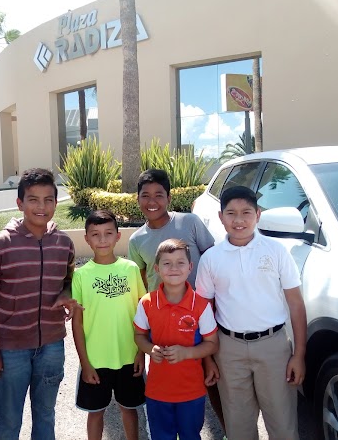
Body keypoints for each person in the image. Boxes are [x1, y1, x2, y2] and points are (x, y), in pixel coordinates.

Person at [195, 186, 307, 440]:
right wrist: (208, 358)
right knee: (239, 426)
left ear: (258, 214)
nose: (239, 220)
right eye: (231, 213)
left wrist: (299, 355)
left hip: (274, 346)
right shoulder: (211, 258)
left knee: (283, 424)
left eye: (246, 212)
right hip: (228, 349)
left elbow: (296, 304)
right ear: (221, 216)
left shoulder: (276, 251)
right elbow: (204, 310)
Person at [0, 168, 80, 440]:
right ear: (20, 203)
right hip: (11, 349)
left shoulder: (64, 243)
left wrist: (66, 293)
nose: (41, 207)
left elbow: (69, 278)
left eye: (48, 200)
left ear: (56, 203)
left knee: (45, 415)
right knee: (8, 421)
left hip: (52, 346)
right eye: (33, 199)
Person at [127, 168, 224, 430]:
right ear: (138, 199)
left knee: (213, 380)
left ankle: (227, 430)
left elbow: (213, 260)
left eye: (159, 195)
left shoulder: (190, 222)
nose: (152, 201)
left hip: (201, 314)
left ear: (169, 198)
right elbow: (141, 283)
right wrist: (142, 349)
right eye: (145, 195)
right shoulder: (136, 240)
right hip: (164, 319)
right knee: (170, 377)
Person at [72, 209, 146, 440]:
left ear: (118, 236)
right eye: (95, 234)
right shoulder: (81, 276)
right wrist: (85, 363)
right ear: (86, 239)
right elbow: (77, 323)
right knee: (95, 413)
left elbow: (142, 315)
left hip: (129, 356)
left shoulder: (131, 269)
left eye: (108, 233)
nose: (102, 239)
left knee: (129, 409)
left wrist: (141, 353)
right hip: (95, 360)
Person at [134, 238, 219, 440]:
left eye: (180, 262)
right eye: (167, 263)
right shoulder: (147, 303)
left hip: (192, 391)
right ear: (156, 268)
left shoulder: (200, 305)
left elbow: (212, 344)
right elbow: (139, 336)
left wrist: (187, 353)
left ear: (190, 267)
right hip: (157, 391)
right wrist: (149, 348)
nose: (174, 268)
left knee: (191, 435)